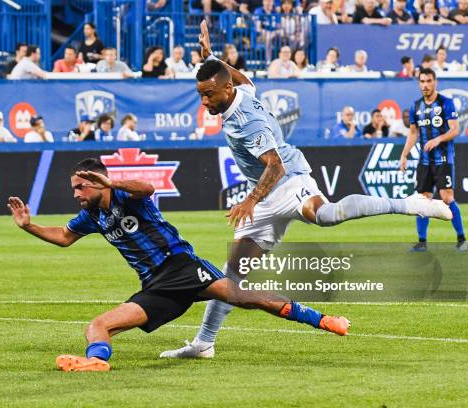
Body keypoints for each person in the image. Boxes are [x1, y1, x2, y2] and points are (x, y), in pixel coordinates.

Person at [160, 21, 451, 359]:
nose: (204, 101)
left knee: (326, 215)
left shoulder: (246, 121)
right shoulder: (241, 90)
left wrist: (249, 199)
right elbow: (238, 77)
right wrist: (211, 57)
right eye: (200, 94)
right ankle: (204, 344)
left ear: (225, 90)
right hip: (265, 193)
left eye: (208, 94)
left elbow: (276, 165)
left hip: (287, 180)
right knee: (232, 278)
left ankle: (411, 203)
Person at [7, 158, 350, 372]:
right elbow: (64, 236)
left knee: (249, 298)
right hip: (155, 287)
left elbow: (147, 187)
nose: (77, 193)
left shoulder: (126, 195)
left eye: (81, 186)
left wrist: (113, 182)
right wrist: (29, 227)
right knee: (97, 327)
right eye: (74, 188)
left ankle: (324, 320)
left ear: (99, 181)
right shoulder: (91, 216)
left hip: (181, 266)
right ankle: (97, 362)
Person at [400, 68, 467, 252]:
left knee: (447, 198)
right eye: (422, 81)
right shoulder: (415, 106)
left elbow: (455, 130)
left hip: (444, 158)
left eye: (429, 81)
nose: (425, 85)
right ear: (419, 83)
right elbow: (413, 133)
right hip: (424, 161)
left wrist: (438, 139)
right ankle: (422, 242)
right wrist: (404, 154)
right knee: (422, 200)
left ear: (435, 82)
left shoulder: (446, 103)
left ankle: (461, 239)